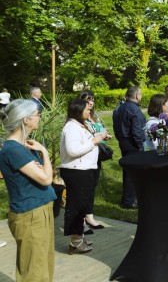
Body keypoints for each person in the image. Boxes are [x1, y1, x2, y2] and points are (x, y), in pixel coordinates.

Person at [0, 100, 56, 281]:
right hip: (30, 214)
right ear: (26, 119)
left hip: (40, 211)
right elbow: (46, 178)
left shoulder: (24, 146)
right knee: (34, 272)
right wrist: (45, 153)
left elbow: (45, 175)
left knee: (43, 266)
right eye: (37, 115)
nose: (39, 118)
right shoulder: (13, 150)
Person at [60, 98, 110, 255]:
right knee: (76, 207)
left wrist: (100, 137)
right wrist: (94, 141)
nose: (90, 111)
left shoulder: (80, 124)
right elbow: (73, 150)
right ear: (78, 111)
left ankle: (79, 236)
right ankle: (75, 241)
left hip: (84, 170)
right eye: (87, 109)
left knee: (81, 206)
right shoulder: (71, 127)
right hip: (76, 171)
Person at [77, 90, 107, 232]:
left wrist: (105, 135)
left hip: (96, 156)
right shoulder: (78, 118)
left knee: (91, 187)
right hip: (83, 158)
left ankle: (89, 216)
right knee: (82, 189)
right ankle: (80, 220)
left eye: (92, 100)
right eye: (87, 100)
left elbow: (101, 129)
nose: (90, 103)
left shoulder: (95, 116)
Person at [112, 86, 146, 209]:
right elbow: (137, 131)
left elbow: (115, 126)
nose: (141, 97)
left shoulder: (119, 107)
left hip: (124, 142)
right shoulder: (134, 110)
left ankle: (128, 198)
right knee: (132, 173)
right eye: (140, 94)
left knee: (128, 172)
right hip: (132, 144)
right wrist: (140, 145)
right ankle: (129, 200)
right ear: (137, 95)